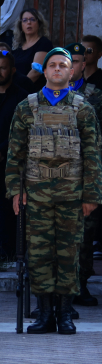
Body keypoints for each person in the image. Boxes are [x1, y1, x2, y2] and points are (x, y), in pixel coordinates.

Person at [6, 47, 102, 335]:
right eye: (52, 65)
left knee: (68, 254)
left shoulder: (83, 108)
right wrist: (15, 191)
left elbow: (93, 155)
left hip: (72, 196)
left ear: (71, 72)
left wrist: (91, 195)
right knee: (39, 254)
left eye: (63, 65)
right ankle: (44, 312)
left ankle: (65, 313)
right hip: (36, 195)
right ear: (44, 71)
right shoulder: (27, 107)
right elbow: (15, 154)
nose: (58, 69)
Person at [65, 42, 102, 308]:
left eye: (79, 61)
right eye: (70, 61)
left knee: (85, 232)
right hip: (54, 177)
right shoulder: (43, 97)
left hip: (85, 173)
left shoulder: (96, 95)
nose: (75, 66)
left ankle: (81, 282)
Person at [0, 50, 28, 260]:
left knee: (10, 210)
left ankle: (11, 251)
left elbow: (22, 132)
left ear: (13, 70)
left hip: (12, 161)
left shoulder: (22, 97)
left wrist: (2, 149)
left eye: (3, 67)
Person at [11, 8, 52, 87]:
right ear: (21, 25)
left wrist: (18, 89)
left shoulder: (44, 43)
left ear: (39, 24)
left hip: (32, 91)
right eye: (25, 20)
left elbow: (36, 72)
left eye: (32, 19)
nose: (29, 22)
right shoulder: (18, 45)